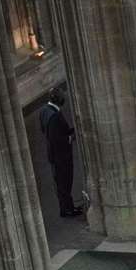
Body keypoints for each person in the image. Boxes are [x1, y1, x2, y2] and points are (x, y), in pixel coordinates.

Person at [38, 87, 83, 220]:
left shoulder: (44, 110)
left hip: (53, 154)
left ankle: (67, 207)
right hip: (61, 156)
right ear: (59, 100)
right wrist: (71, 137)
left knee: (60, 183)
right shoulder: (55, 116)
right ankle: (67, 210)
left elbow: (45, 131)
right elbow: (58, 139)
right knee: (65, 182)